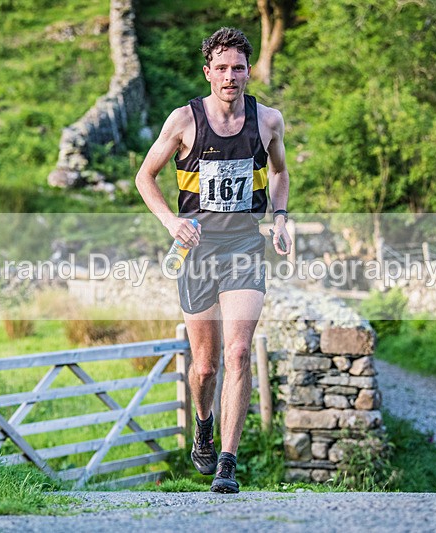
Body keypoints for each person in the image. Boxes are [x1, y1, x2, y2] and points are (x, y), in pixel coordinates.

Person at [135, 27, 291, 493]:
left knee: (239, 352)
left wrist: (280, 217)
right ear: (208, 73)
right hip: (197, 250)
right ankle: (203, 423)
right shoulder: (183, 121)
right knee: (205, 365)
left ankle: (227, 461)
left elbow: (281, 172)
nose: (230, 76)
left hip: (244, 245)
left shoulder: (268, 121)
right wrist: (169, 222)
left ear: (248, 71)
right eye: (221, 68)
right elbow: (146, 177)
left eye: (238, 68)